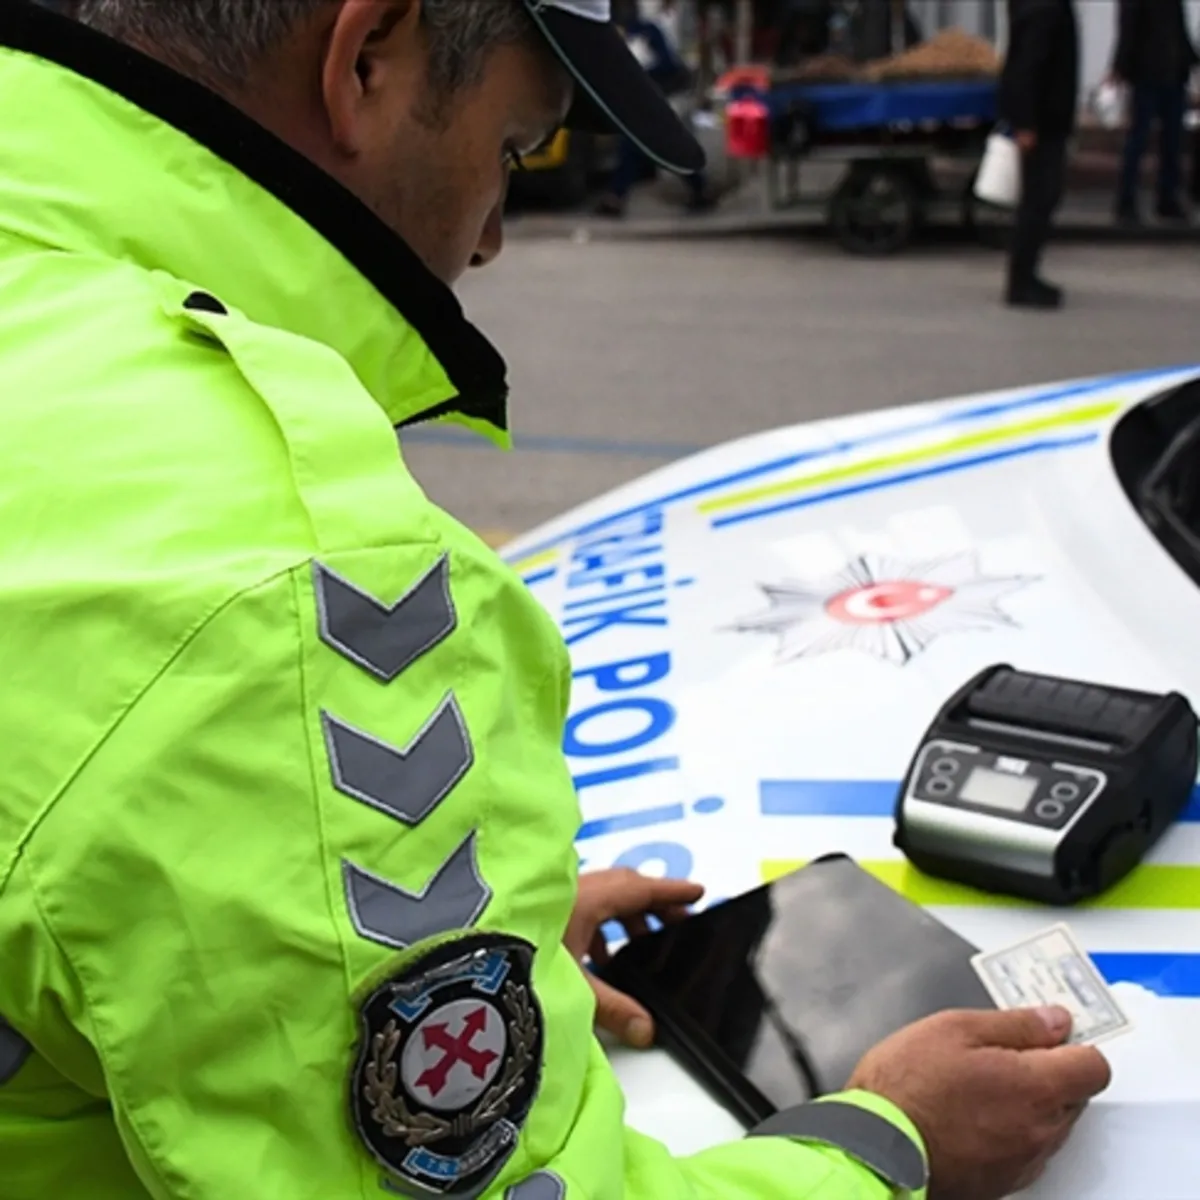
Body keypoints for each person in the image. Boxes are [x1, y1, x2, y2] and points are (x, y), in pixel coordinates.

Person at [0, 1, 1110, 1198]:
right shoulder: (274, 589)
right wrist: (890, 1145)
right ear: (367, 55)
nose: (490, 243)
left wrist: (367, 945)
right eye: (515, 149)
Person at [596, 0, 715, 215]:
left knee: (663, 144)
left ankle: (700, 188)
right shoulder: (610, 36)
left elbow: (669, 65)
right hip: (634, 102)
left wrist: (642, 72)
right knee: (633, 147)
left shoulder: (647, 32)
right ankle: (616, 196)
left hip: (657, 98)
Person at [997, 0, 1080, 310]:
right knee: (1038, 199)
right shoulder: (1044, 7)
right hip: (1043, 121)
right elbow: (1028, 66)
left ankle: (1027, 275)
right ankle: (1022, 281)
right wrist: (1026, 122)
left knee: (1041, 199)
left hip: (1047, 118)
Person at [1111, 0, 1199, 224]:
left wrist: (1189, 60)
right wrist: (1120, 67)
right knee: (1139, 139)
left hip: (1172, 72)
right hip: (1147, 73)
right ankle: (1127, 200)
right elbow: (1128, 29)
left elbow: (1178, 28)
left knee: (1172, 140)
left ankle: (1167, 198)